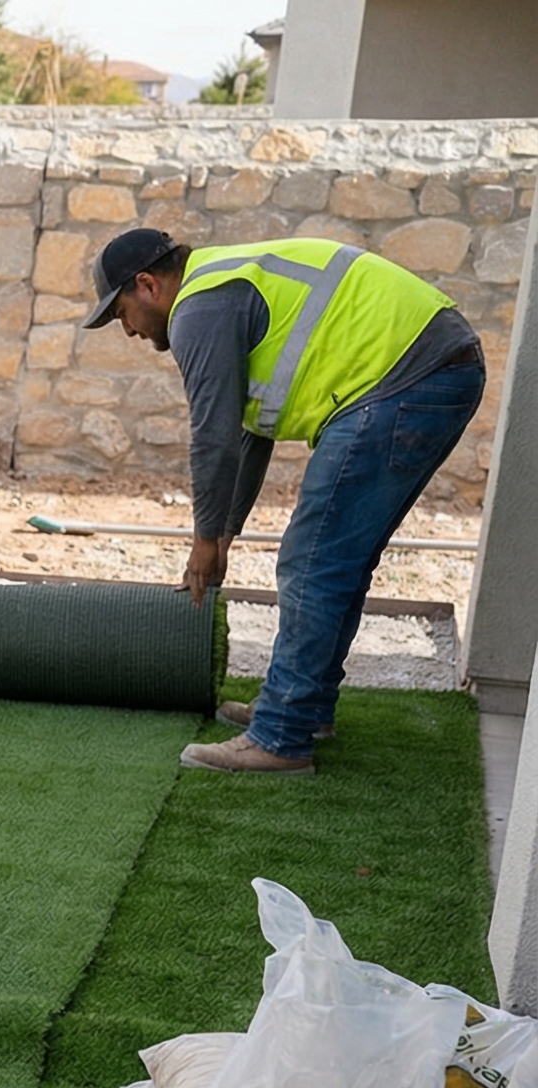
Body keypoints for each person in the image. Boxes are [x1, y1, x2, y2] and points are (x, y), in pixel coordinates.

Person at [85, 226, 486, 775]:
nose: (127, 330)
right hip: (428, 369)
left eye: (120, 314)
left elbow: (214, 435)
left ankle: (280, 735)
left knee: (313, 559)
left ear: (148, 285)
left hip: (404, 377)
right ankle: (302, 707)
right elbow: (251, 432)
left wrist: (203, 541)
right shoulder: (225, 284)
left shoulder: (198, 309)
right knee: (337, 558)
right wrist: (225, 532)